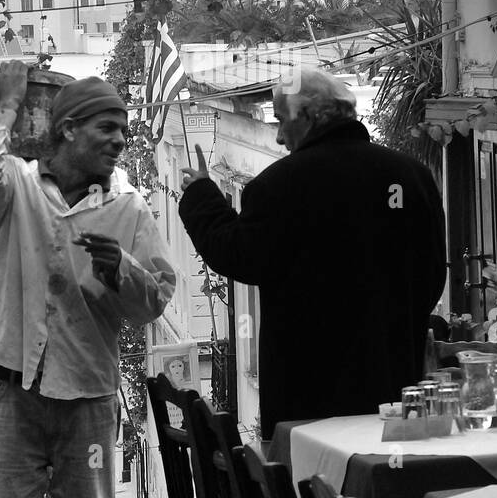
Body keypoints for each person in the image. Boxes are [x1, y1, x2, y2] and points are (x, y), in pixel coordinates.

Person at [178, 68, 446, 441]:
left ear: (308, 117)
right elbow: (433, 276)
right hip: (394, 391)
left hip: (307, 402)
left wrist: (202, 196)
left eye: (281, 120)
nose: (278, 135)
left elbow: (238, 255)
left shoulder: (279, 186)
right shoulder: (412, 177)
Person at [0, 63, 175, 498]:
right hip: (10, 390)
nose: (119, 140)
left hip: (86, 398)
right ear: (69, 128)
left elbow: (153, 303)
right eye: (107, 127)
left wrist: (120, 269)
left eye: (123, 132)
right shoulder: (19, 183)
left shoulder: (129, 208)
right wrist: (8, 104)